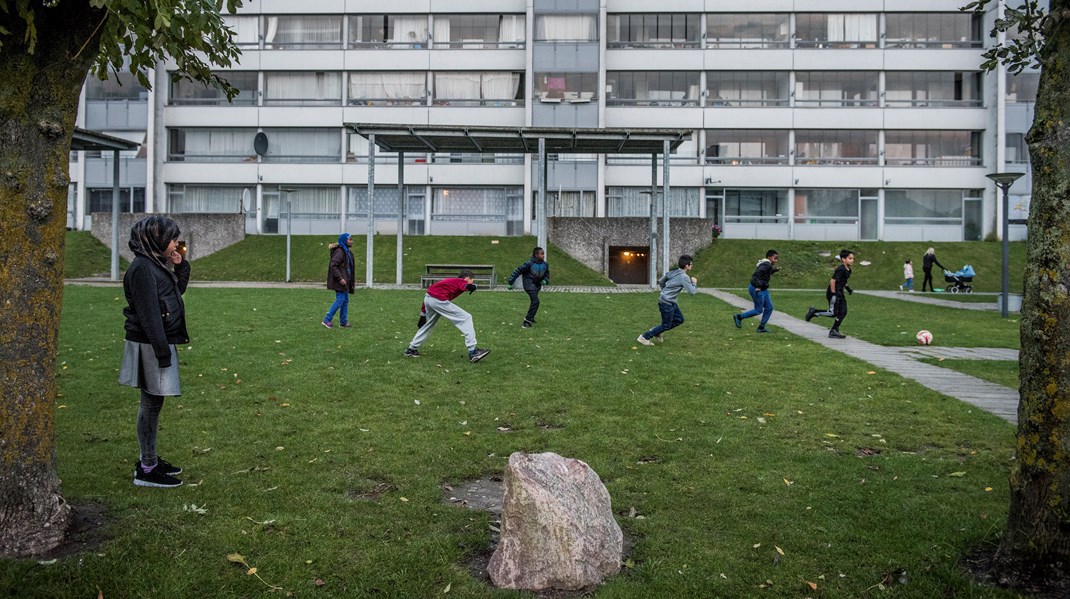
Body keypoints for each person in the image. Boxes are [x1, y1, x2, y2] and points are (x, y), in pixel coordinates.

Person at [119, 216, 190, 488]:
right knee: (150, 404)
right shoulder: (141, 269)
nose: (176, 243)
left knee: (154, 403)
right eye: (172, 238)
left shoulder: (153, 265)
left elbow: (174, 294)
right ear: (156, 239)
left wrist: (181, 267)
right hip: (150, 343)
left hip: (157, 342)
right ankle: (147, 469)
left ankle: (149, 460)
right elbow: (149, 315)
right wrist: (162, 352)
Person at [405, 269, 490, 362]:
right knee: (466, 317)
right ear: (467, 278)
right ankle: (473, 351)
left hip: (428, 299)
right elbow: (464, 285)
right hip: (439, 300)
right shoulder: (460, 281)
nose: (472, 282)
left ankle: (411, 349)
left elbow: (429, 293)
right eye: (472, 280)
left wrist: (423, 314)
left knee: (428, 325)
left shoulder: (451, 281)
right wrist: (471, 286)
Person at [637, 255, 697, 346]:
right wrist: (694, 283)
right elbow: (692, 292)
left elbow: (661, 281)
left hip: (670, 302)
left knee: (679, 319)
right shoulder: (684, 277)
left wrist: (665, 291)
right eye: (691, 264)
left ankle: (657, 332)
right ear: (686, 265)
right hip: (666, 303)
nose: (692, 266)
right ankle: (644, 337)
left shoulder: (673, 272)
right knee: (666, 325)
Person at [805, 249, 854, 339]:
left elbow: (843, 281)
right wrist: (833, 293)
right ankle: (814, 312)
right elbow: (832, 281)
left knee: (843, 312)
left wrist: (848, 289)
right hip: (834, 293)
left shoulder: (848, 270)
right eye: (850, 258)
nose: (852, 260)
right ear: (843, 259)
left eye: (852, 258)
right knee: (833, 313)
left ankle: (834, 330)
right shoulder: (840, 269)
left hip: (840, 293)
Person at [733, 249, 779, 333]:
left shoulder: (766, 264)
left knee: (769, 307)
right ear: (769, 257)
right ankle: (739, 317)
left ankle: (761, 328)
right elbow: (758, 274)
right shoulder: (767, 264)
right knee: (758, 310)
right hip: (757, 289)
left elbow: (765, 273)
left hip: (763, 289)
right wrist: (758, 286)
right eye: (775, 258)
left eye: (777, 258)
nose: (776, 260)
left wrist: (774, 270)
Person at [506, 246, 550, 328]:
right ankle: (527, 321)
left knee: (535, 302)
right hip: (529, 285)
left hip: (537, 286)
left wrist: (545, 281)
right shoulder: (529, 264)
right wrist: (511, 282)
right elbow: (518, 271)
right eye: (542, 254)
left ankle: (531, 317)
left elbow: (546, 275)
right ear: (536, 255)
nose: (543, 255)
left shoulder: (545, 265)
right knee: (536, 301)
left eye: (543, 254)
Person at [323, 232, 355, 329]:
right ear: (345, 241)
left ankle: (343, 322)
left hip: (346, 281)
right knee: (340, 299)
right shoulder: (339, 252)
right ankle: (326, 320)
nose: (352, 241)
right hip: (340, 281)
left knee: (345, 301)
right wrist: (340, 278)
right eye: (350, 239)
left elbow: (348, 267)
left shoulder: (347, 252)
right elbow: (333, 266)